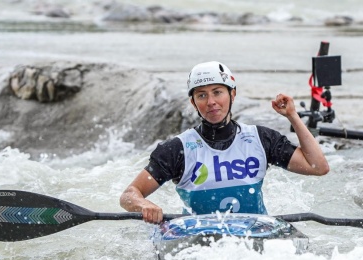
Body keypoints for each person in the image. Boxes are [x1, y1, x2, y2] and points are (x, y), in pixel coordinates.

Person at [120, 61, 329, 223]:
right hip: (198, 239)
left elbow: (318, 167)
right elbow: (129, 195)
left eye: (217, 92)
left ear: (233, 94)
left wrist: (293, 116)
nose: (211, 102)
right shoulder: (178, 149)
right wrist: (143, 204)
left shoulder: (261, 139)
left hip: (254, 233)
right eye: (202, 95)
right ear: (193, 102)